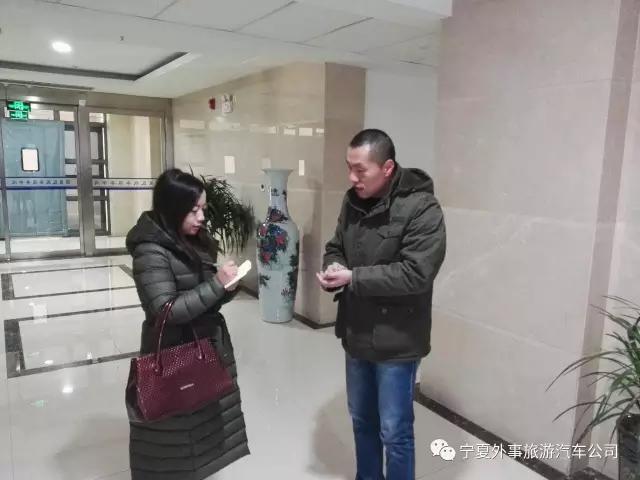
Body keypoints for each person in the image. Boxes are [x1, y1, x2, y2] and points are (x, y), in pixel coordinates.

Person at [317, 129, 446, 480]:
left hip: (397, 339)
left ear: (387, 168)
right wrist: (334, 266)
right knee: (361, 420)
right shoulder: (352, 202)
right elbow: (336, 246)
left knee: (394, 430)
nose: (352, 177)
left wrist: (354, 278)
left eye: (360, 170)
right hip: (356, 331)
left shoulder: (422, 208)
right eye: (349, 167)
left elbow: (417, 273)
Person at [126, 168, 249, 480]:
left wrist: (226, 288)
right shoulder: (150, 250)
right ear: (173, 208)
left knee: (203, 430)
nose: (201, 217)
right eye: (194, 210)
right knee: (173, 438)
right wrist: (216, 286)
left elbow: (204, 300)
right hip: (174, 353)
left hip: (205, 348)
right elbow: (165, 311)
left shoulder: (193, 241)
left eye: (203, 209)